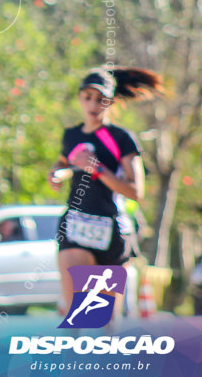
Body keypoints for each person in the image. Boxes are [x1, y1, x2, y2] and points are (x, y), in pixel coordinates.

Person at [48, 66, 163, 324]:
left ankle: (106, 359)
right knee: (74, 311)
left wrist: (97, 169)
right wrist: (55, 173)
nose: (92, 104)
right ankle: (72, 358)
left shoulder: (121, 138)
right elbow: (63, 164)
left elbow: (135, 191)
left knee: (106, 321)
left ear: (109, 102)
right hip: (76, 223)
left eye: (100, 99)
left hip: (111, 229)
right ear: (79, 98)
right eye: (87, 97)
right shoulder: (72, 135)